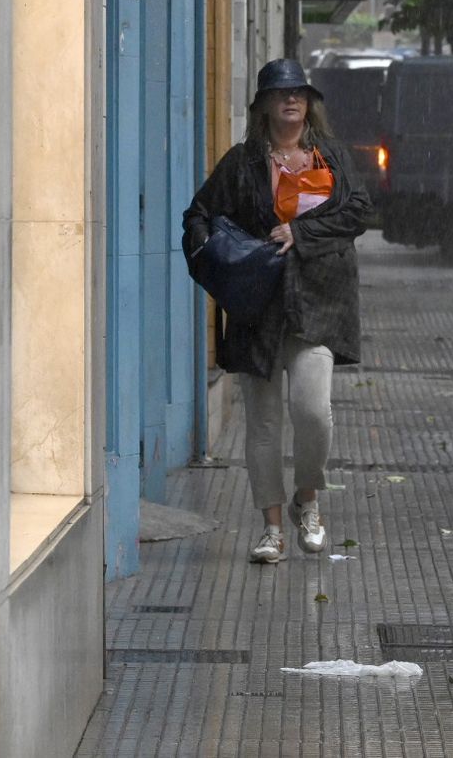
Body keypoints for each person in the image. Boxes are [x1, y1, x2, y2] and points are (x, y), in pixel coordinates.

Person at [182, 58, 371, 564]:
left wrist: (301, 233)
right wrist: (219, 261)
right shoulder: (243, 163)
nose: (291, 99)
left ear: (309, 103)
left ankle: (306, 501)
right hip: (257, 308)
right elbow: (198, 215)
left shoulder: (328, 157)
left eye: (299, 92)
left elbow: (359, 211)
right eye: (281, 92)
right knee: (263, 425)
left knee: (313, 413)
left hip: (318, 304)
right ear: (264, 103)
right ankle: (270, 529)